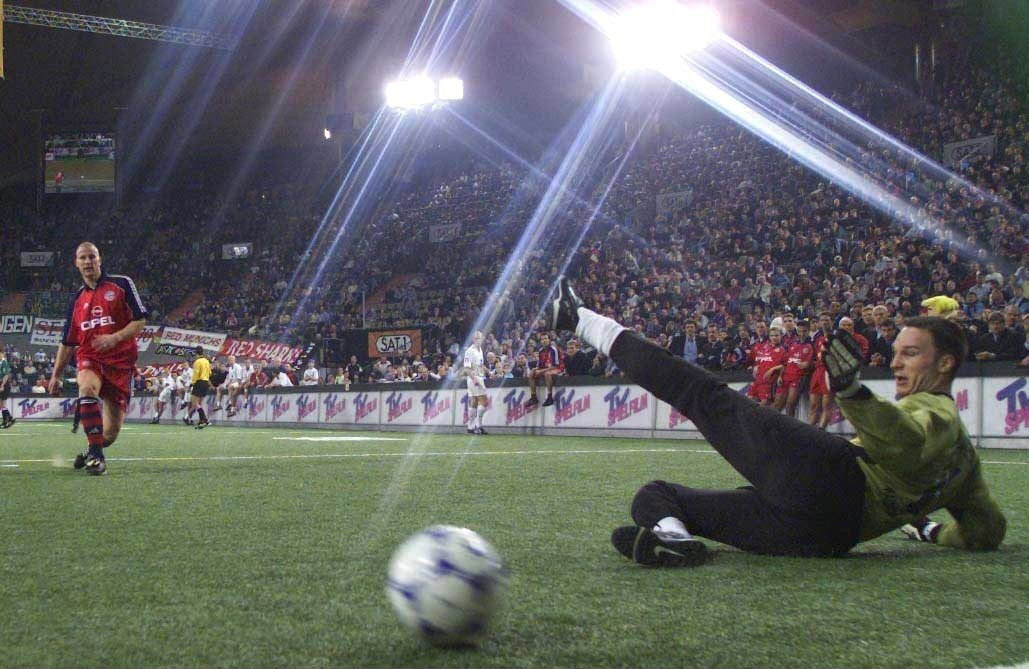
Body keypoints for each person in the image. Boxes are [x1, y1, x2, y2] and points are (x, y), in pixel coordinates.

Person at [549, 277, 1005, 566]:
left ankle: (581, 319)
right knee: (658, 496)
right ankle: (675, 539)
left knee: (701, 394)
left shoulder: (936, 412)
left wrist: (853, 393)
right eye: (897, 352)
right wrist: (933, 530)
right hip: (824, 537)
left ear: (946, 364)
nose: (898, 364)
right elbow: (987, 532)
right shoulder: (967, 469)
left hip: (829, 476)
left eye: (911, 354)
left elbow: (905, 442)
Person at [47, 242, 148, 475]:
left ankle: (92, 449)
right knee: (87, 387)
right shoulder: (77, 299)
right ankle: (96, 457)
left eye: (91, 256)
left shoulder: (122, 284)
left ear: (99, 259)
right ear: (76, 263)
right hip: (90, 357)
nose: (87, 261)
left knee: (110, 435)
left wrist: (116, 337)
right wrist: (55, 376)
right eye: (82, 258)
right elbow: (68, 342)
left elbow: (141, 320)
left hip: (121, 365)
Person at [773, 318, 813, 417]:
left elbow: (810, 364)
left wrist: (808, 364)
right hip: (785, 377)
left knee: (790, 405)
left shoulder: (810, 346)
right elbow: (785, 363)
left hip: (797, 378)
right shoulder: (792, 345)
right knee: (777, 405)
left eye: (804, 331)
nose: (802, 334)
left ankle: (790, 430)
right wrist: (780, 376)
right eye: (799, 331)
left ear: (809, 331)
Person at [525, 332, 563, 407]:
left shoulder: (553, 349)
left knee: (547, 374)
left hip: (558, 368)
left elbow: (555, 366)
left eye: (546, 338)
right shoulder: (541, 350)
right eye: (542, 339)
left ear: (549, 340)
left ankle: (549, 397)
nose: (544, 340)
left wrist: (541, 371)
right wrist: (535, 370)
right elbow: (539, 365)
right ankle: (533, 397)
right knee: (532, 372)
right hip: (546, 369)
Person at [463, 331, 488, 435]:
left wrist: (488, 372)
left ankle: (470, 427)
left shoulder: (480, 350)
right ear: (473, 339)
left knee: (474, 401)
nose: (478, 340)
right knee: (484, 400)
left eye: (480, 338)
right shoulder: (469, 351)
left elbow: (481, 365)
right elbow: (467, 368)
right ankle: (478, 426)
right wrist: (474, 379)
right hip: (474, 378)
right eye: (476, 338)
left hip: (479, 377)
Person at [185, 346, 212, 429]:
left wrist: (191, 384)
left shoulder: (197, 362)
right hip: (206, 382)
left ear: (196, 353)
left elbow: (196, 374)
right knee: (199, 403)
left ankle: (205, 420)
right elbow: (210, 373)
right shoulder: (207, 361)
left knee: (194, 402)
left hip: (199, 382)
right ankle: (201, 422)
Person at [0, 351, 15, 428]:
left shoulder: (4, 362)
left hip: (4, 384)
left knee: (2, 403)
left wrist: (2, 385)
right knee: (1, 404)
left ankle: (9, 419)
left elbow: (6, 375)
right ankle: (6, 420)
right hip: (2, 384)